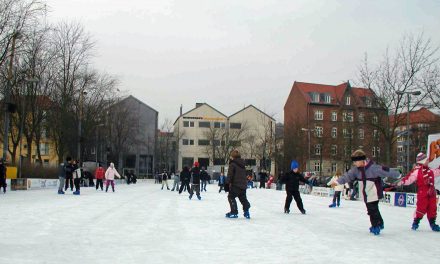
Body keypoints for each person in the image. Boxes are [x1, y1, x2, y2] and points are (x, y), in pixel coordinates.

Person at [332, 149, 401, 235]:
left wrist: (397, 174)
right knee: (373, 209)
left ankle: (376, 226)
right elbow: (347, 176)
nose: (354, 164)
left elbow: (385, 170)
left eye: (355, 162)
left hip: (374, 192)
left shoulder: (373, 168)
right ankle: (380, 223)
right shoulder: (355, 170)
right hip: (366, 194)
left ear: (361, 160)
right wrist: (338, 182)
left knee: (372, 210)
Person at [396, 152, 440, 232]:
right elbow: (409, 179)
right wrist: (401, 182)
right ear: (422, 161)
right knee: (421, 208)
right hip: (422, 192)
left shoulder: (430, 170)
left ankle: (433, 223)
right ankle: (416, 222)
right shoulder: (416, 171)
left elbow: (437, 171)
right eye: (426, 160)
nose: (428, 161)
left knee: (432, 208)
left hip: (431, 192)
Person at [225, 150, 251, 219]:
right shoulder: (243, 164)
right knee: (243, 198)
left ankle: (234, 212)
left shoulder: (233, 164)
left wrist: (227, 184)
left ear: (232, 156)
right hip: (243, 185)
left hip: (236, 185)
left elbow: (230, 175)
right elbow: (245, 174)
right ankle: (246, 212)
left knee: (231, 197)